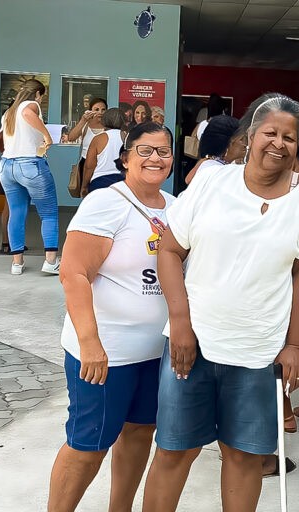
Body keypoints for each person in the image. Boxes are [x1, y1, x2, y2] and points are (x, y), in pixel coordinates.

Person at [142, 93, 299, 512]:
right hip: (192, 345)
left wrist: (295, 344)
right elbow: (169, 250)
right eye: (270, 133)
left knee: (244, 457)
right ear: (250, 135)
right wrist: (180, 323)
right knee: (174, 451)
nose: (279, 143)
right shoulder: (212, 182)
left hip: (258, 352)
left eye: (289, 137)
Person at [47, 122, 176, 512]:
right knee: (89, 445)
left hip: (156, 352)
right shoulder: (106, 202)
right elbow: (74, 273)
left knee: (139, 433)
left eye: (163, 151)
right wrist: (90, 344)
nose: (155, 158)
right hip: (107, 354)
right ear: (125, 158)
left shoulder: (176, 207)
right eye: (145, 150)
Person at [0, 79, 59, 275]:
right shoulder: (30, 105)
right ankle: (50, 261)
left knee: (16, 212)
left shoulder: (9, 111)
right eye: (42, 96)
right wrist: (47, 136)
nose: (41, 100)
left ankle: (17, 263)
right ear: (38, 94)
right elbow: (27, 113)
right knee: (48, 213)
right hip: (29, 164)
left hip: (7, 166)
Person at [183, 115, 242, 185]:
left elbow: (188, 180)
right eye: (241, 140)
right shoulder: (216, 169)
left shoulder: (207, 161)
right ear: (228, 145)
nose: (245, 146)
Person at [81, 108, 127, 195]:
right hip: (124, 182)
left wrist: (84, 186)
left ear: (105, 120)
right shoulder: (128, 137)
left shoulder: (98, 139)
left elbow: (89, 166)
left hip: (100, 181)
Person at [67, 98, 107, 190]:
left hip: (102, 164)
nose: (100, 112)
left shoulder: (109, 126)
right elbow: (71, 137)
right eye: (96, 109)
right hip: (85, 163)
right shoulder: (85, 125)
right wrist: (83, 120)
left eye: (103, 110)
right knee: (86, 192)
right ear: (90, 111)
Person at [190, 93, 225, 158]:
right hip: (219, 158)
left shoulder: (202, 123)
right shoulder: (225, 124)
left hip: (202, 156)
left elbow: (193, 136)